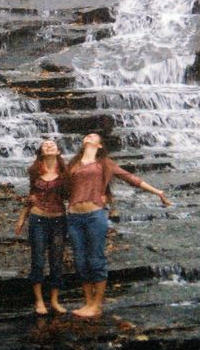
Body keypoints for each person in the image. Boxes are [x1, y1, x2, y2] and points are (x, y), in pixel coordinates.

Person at [66, 132, 172, 318]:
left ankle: (97, 305)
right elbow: (61, 187)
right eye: (87, 136)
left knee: (96, 259)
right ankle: (88, 303)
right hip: (74, 217)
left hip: (94, 216)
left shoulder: (105, 163)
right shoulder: (72, 164)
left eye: (93, 136)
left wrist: (158, 192)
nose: (88, 137)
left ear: (99, 145)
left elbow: (131, 178)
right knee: (80, 261)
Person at [15, 139, 68, 315]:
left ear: (58, 151)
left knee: (56, 261)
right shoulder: (34, 171)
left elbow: (74, 193)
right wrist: (22, 218)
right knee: (37, 260)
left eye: (53, 144)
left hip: (59, 220)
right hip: (37, 219)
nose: (49, 145)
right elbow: (31, 195)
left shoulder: (65, 172)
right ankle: (39, 301)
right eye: (46, 145)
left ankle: (54, 300)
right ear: (42, 152)